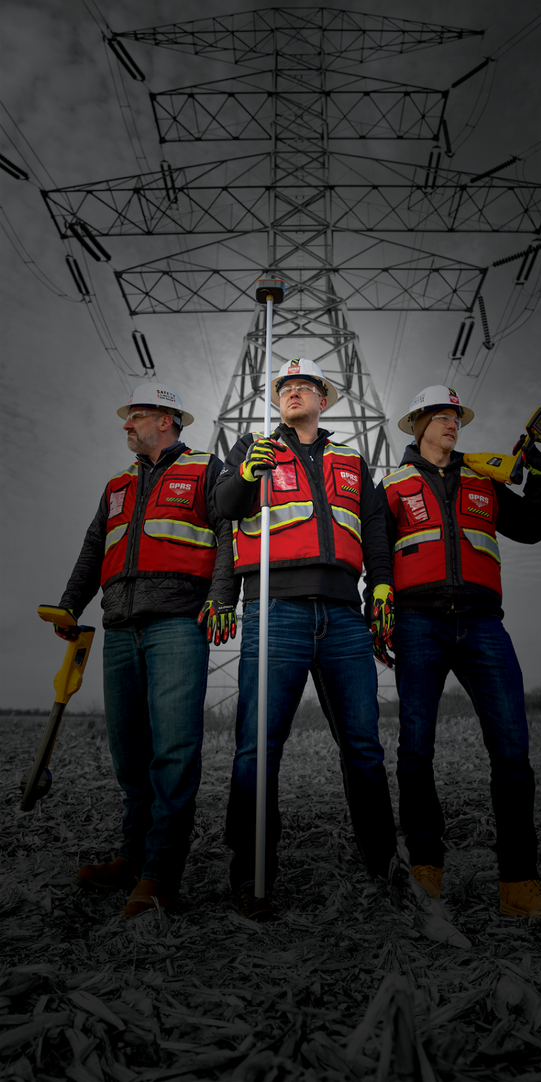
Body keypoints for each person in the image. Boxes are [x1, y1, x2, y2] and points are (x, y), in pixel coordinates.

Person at [214, 358, 398, 920]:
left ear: (324, 398)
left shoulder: (350, 458)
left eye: (304, 386)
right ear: (277, 401)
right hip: (275, 610)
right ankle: (250, 871)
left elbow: (373, 526)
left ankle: (383, 864)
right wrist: (247, 476)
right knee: (258, 748)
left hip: (344, 613)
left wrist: (383, 584)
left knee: (364, 748)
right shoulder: (253, 448)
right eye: (285, 387)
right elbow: (221, 509)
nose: (293, 392)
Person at [377, 385, 541, 918]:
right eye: (441, 416)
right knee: (415, 750)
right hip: (417, 622)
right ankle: (426, 867)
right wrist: (380, 603)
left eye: (456, 417)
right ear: (417, 426)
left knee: (511, 753)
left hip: (483, 624)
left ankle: (519, 882)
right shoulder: (392, 485)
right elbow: (378, 553)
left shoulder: (486, 479)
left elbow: (531, 527)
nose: (453, 424)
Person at [56, 383, 236, 917]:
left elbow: (229, 532)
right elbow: (95, 546)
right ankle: (133, 859)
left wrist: (224, 597)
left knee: (174, 751)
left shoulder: (207, 469)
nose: (127, 426)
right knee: (129, 751)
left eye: (135, 417)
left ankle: (161, 874)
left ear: (166, 420)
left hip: (178, 623)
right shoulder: (117, 484)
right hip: (120, 625)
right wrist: (71, 604)